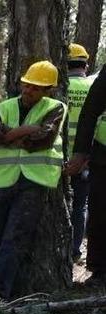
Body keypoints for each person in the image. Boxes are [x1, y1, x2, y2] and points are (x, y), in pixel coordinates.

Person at [0, 61, 66, 299]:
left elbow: (44, 138)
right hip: (3, 178)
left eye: (35, 88)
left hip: (34, 181)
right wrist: (25, 130)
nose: (28, 91)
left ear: (48, 90)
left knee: (15, 237)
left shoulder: (56, 107)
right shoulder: (5, 105)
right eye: (26, 85)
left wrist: (9, 136)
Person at [67, 56, 106, 286]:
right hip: (103, 157)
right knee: (100, 212)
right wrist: (80, 152)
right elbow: (90, 112)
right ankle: (99, 268)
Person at [65, 43, 93, 264]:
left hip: (58, 158)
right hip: (84, 158)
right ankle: (75, 251)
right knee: (80, 205)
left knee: (60, 202)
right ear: (86, 64)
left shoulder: (59, 87)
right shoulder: (94, 87)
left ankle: (59, 249)